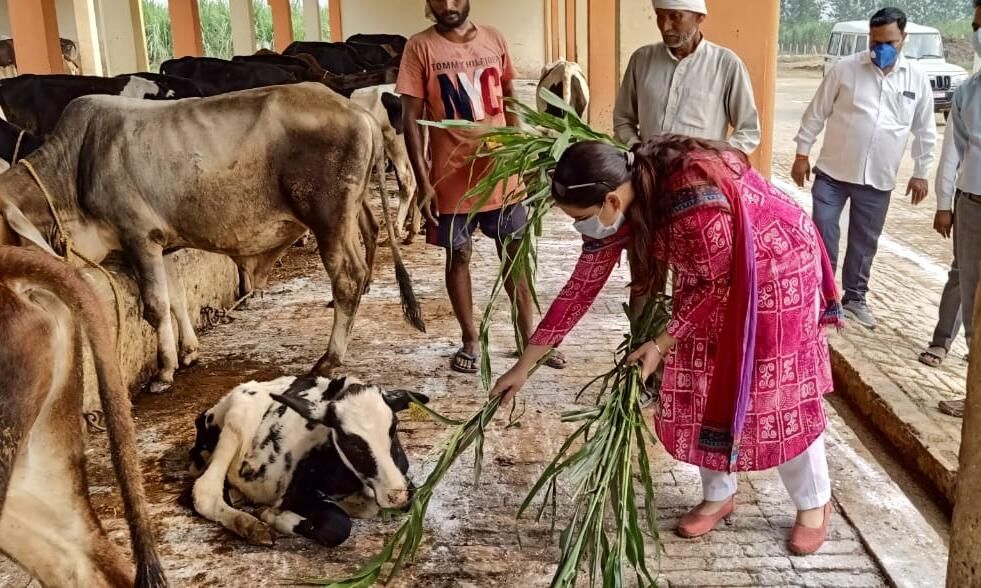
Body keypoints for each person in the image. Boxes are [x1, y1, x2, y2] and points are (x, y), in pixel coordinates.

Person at [491, 137, 843, 555]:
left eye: (582, 218)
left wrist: (660, 342)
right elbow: (579, 290)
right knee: (698, 383)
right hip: (712, 277)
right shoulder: (624, 205)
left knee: (777, 392)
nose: (582, 228)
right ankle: (718, 494)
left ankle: (813, 505)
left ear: (610, 201)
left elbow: (721, 280)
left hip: (774, 271)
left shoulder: (693, 202)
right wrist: (525, 366)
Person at [397, 0, 566, 373]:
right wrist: (423, 182)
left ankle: (529, 338)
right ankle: (470, 340)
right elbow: (410, 120)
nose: (448, 5)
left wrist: (521, 151)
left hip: (501, 171)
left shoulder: (493, 38)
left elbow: (508, 99)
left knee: (516, 254)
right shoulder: (420, 47)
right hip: (450, 177)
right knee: (458, 255)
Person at [792, 7, 937, 330]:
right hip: (832, 175)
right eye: (874, 41)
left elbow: (926, 130)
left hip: (878, 180)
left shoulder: (916, 79)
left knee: (863, 242)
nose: (880, 49)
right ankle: (823, 298)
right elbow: (816, 114)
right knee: (824, 233)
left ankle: (855, 298)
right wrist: (802, 154)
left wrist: (921, 172)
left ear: (904, 39)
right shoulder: (846, 69)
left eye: (889, 42)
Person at [613, 0, 761, 154]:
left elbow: (748, 131)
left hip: (701, 175)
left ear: (700, 17)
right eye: (660, 16)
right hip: (647, 172)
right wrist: (636, 149)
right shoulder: (641, 59)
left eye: (675, 17)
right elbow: (623, 120)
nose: (665, 27)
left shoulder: (727, 65)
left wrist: (715, 160)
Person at [927, 1, 981, 418]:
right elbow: (952, 153)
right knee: (972, 298)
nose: (978, 32)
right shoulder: (968, 91)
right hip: (972, 206)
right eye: (977, 24)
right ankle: (976, 393)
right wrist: (945, 203)